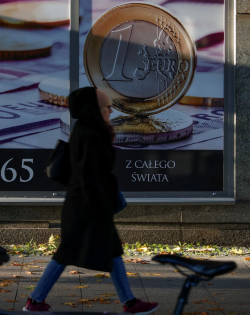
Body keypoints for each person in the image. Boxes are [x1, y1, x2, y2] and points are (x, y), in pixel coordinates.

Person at [24, 87, 159, 314]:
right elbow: (88, 174)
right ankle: (35, 302)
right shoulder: (90, 133)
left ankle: (130, 302)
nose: (110, 110)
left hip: (87, 203)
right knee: (68, 253)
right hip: (87, 206)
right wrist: (99, 206)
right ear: (93, 109)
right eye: (106, 106)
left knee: (111, 250)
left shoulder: (90, 129)